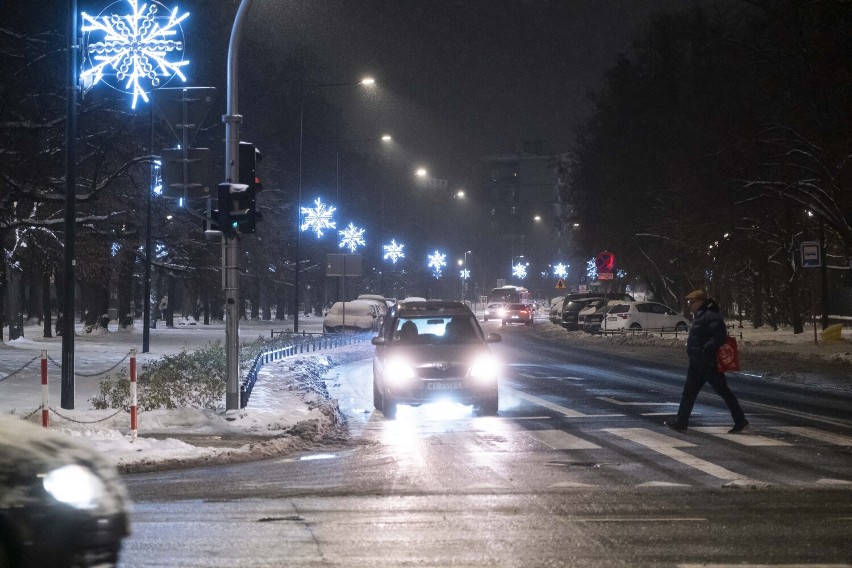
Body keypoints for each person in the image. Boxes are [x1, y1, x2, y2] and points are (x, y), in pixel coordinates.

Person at [665, 289, 749, 434]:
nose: (690, 305)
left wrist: (706, 349)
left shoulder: (710, 316)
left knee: (723, 392)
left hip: (708, 363)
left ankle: (740, 421)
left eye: (692, 302)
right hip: (697, 363)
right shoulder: (701, 316)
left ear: (701, 302)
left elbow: (720, 336)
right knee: (689, 393)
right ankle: (681, 422)